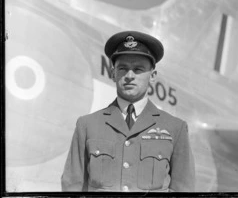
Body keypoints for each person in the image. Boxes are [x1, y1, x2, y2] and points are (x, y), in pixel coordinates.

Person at [61, 31, 195, 192]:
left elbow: (184, 190)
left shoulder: (175, 128)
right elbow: (72, 187)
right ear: (113, 73)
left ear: (152, 76)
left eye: (138, 69)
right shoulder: (87, 125)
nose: (130, 75)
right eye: (123, 68)